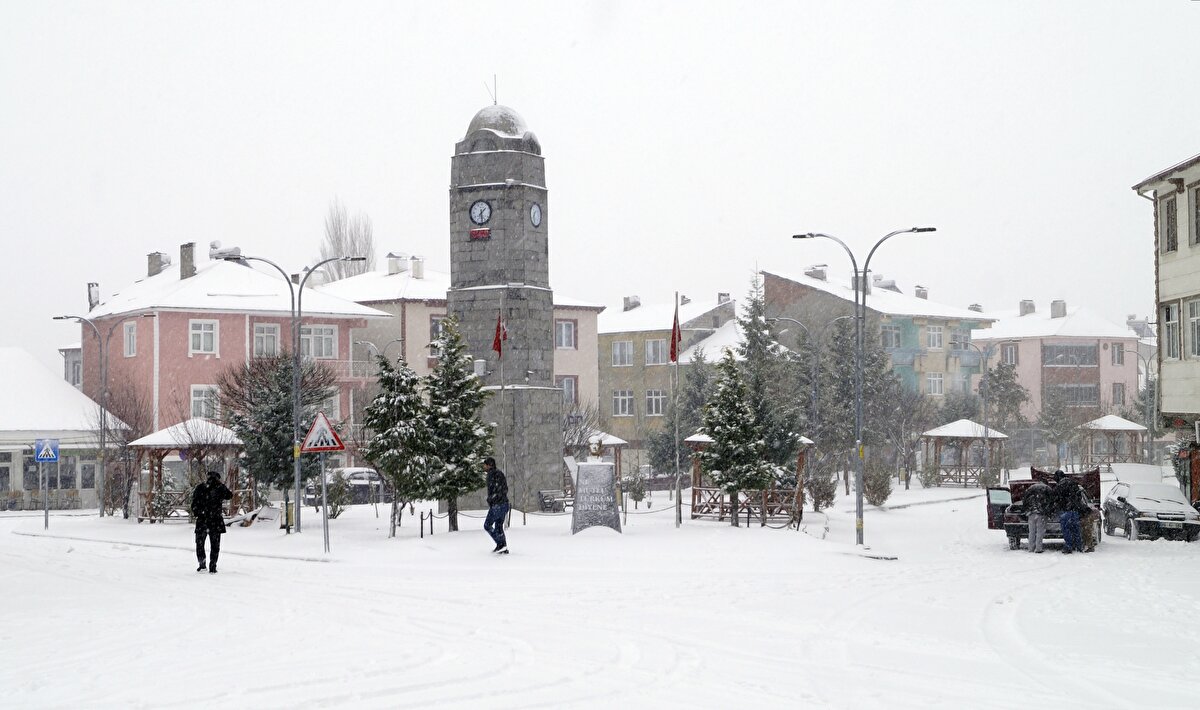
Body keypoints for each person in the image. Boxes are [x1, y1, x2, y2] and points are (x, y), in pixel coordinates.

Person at [192, 470, 233, 573]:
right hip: (215, 520)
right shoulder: (220, 488)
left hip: (203, 520)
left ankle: (202, 564)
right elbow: (229, 495)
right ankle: (213, 565)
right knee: (215, 545)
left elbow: (194, 503)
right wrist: (220, 485)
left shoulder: (201, 487)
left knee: (200, 544)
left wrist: (198, 512)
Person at [1053, 470, 1084, 554]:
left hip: (1065, 511)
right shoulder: (1073, 483)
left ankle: (1069, 546)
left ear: (1058, 477)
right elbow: (1079, 496)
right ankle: (1079, 546)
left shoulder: (1060, 485)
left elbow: (1056, 498)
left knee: (1066, 529)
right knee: (1075, 529)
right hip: (1075, 510)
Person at [483, 457, 510, 554]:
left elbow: (496, 490)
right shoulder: (499, 473)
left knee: (487, 525)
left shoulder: (492, 475)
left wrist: (491, 499)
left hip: (497, 505)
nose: (484, 466)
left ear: (489, 465)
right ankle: (502, 547)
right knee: (498, 526)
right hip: (504, 504)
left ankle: (501, 544)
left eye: (485, 465)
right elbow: (505, 489)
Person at [1023, 478, 1054, 553]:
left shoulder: (1031, 488)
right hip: (1041, 513)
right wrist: (1049, 512)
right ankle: (1038, 548)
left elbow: (1024, 500)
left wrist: (1027, 510)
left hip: (1031, 513)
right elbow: (1051, 501)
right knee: (1040, 531)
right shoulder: (1047, 488)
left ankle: (1031, 548)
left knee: (1032, 531)